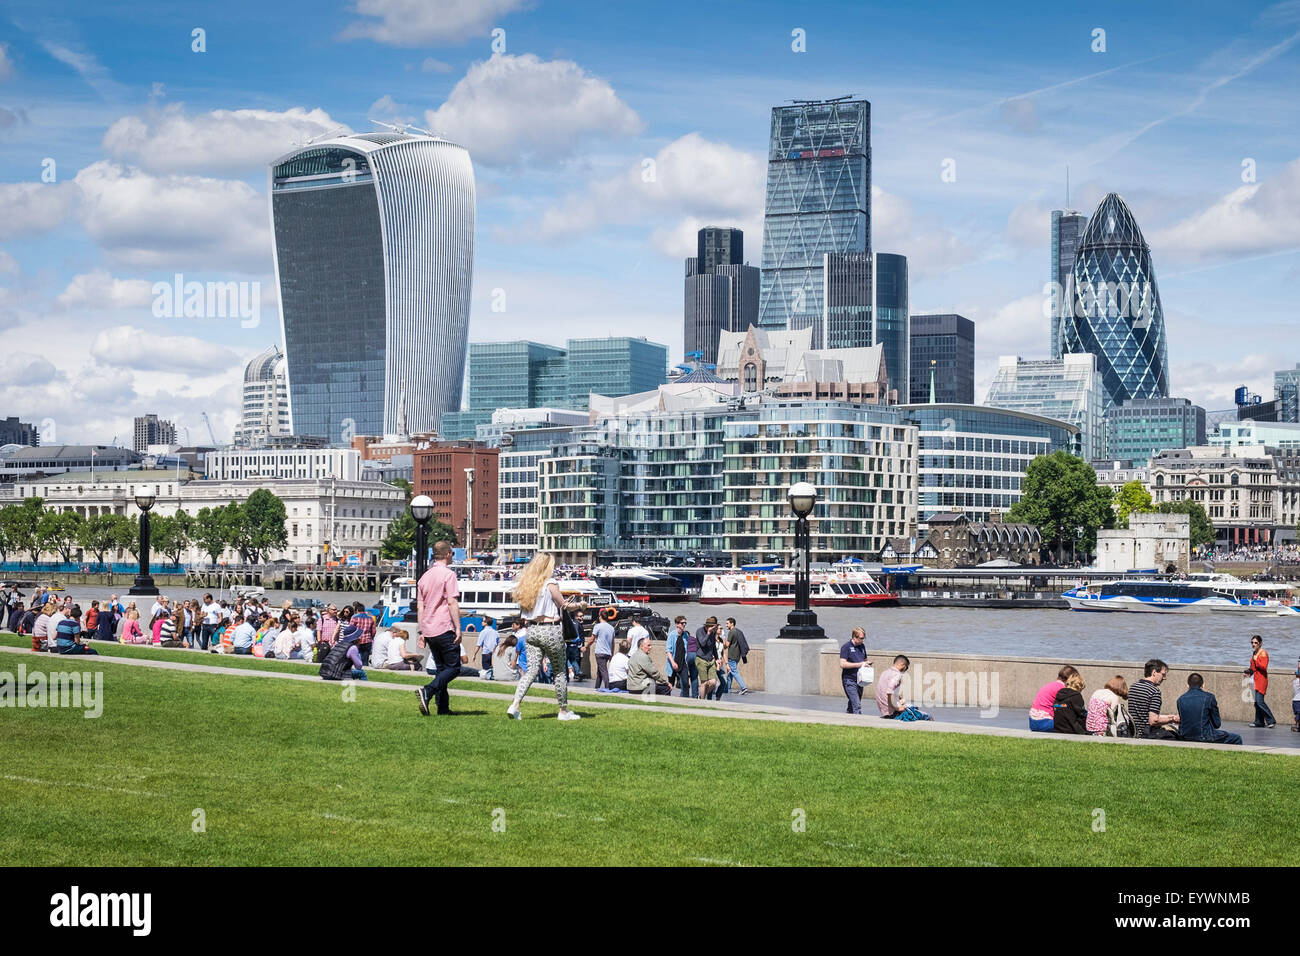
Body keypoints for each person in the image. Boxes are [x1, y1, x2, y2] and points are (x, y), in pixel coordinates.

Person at [505, 551, 587, 721]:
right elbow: (564, 606)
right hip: (551, 630)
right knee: (559, 671)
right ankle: (563, 711)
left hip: (532, 631)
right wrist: (581, 605)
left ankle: (515, 705)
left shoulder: (528, 586)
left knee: (531, 671)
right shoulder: (550, 583)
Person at [415, 541, 463, 717]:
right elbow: (452, 602)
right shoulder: (448, 575)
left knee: (442, 669)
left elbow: (420, 607)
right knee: (454, 667)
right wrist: (458, 627)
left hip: (429, 628)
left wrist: (421, 631)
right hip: (444, 626)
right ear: (448, 554)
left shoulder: (423, 578)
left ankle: (443, 707)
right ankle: (428, 691)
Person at [1177, 673, 1243, 745]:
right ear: (1203, 685)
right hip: (1205, 736)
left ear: (1187, 685)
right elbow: (1217, 724)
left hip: (1185, 736)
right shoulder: (1209, 697)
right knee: (1237, 738)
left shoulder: (1180, 699)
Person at [1128, 659, 1180, 740]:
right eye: (1163, 674)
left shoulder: (1133, 687)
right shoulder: (1154, 691)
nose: (1164, 678)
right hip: (1147, 733)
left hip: (1134, 732)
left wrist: (1170, 716)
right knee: (1177, 736)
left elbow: (1144, 713)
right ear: (1154, 672)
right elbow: (1153, 720)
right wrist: (1172, 719)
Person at [875, 655, 930, 720]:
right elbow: (889, 690)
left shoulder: (885, 673)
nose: (905, 670)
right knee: (928, 716)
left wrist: (899, 699)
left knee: (908, 704)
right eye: (906, 667)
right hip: (893, 712)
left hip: (884, 710)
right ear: (902, 665)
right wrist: (897, 708)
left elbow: (885, 691)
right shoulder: (897, 674)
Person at [1029, 665, 1079, 732]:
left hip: (1033, 722)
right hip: (1044, 722)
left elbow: (1056, 705)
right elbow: (1067, 707)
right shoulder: (1062, 689)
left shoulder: (1050, 685)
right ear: (1070, 679)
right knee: (1071, 727)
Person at [838, 626, 872, 714]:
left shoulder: (862, 646)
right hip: (849, 679)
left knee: (853, 703)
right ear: (854, 637)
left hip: (860, 679)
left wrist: (866, 664)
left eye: (863, 638)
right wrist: (859, 664)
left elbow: (864, 660)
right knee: (857, 704)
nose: (862, 640)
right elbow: (842, 664)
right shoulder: (846, 647)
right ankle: (859, 722)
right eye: (861, 638)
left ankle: (848, 720)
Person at [1244, 634, 1275, 728]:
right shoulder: (1254, 653)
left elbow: (1264, 667)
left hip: (1261, 680)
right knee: (1256, 702)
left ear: (1260, 643)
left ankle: (1271, 720)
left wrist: (1256, 660)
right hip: (1255, 680)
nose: (1253, 644)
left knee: (1260, 701)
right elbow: (1253, 668)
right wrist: (1248, 672)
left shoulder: (1263, 653)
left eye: (1255, 643)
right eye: (1252, 643)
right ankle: (1259, 722)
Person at [721, 617, 751, 696]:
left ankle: (743, 687)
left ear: (732, 623)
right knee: (730, 672)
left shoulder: (731, 632)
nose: (726, 625)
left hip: (732, 655)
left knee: (734, 672)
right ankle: (727, 689)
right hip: (737, 655)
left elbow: (726, 646)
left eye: (727, 623)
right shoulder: (738, 631)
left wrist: (723, 637)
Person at [694, 616, 722, 700]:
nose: (714, 629)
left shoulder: (713, 633)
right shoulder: (700, 631)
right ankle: (702, 700)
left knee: (713, 682)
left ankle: (701, 696)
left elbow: (713, 647)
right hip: (701, 659)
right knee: (704, 683)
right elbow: (702, 643)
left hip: (710, 660)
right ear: (708, 626)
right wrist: (708, 633)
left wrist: (717, 659)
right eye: (713, 627)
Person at [590, 607, 617, 690]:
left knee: (604, 671)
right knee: (600, 672)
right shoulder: (611, 628)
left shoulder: (597, 626)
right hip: (607, 653)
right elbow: (613, 643)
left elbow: (592, 639)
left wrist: (586, 646)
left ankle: (608, 687)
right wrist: (611, 654)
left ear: (600, 616)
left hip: (600, 653)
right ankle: (596, 688)